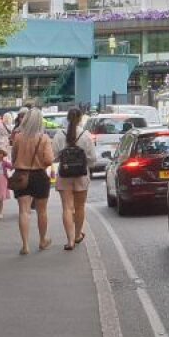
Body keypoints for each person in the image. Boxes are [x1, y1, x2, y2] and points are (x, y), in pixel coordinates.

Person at [10, 106, 54, 255]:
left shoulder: (18, 137)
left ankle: (25, 245)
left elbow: (13, 157)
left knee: (24, 211)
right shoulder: (44, 138)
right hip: (39, 176)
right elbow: (49, 160)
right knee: (42, 211)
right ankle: (42, 240)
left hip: (21, 175)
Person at [53, 107, 97, 250]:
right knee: (79, 207)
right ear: (80, 118)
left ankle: (70, 240)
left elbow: (54, 156)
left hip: (64, 175)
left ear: (67, 118)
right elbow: (92, 159)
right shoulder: (86, 135)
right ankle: (78, 235)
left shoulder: (59, 135)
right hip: (81, 176)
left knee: (67, 208)